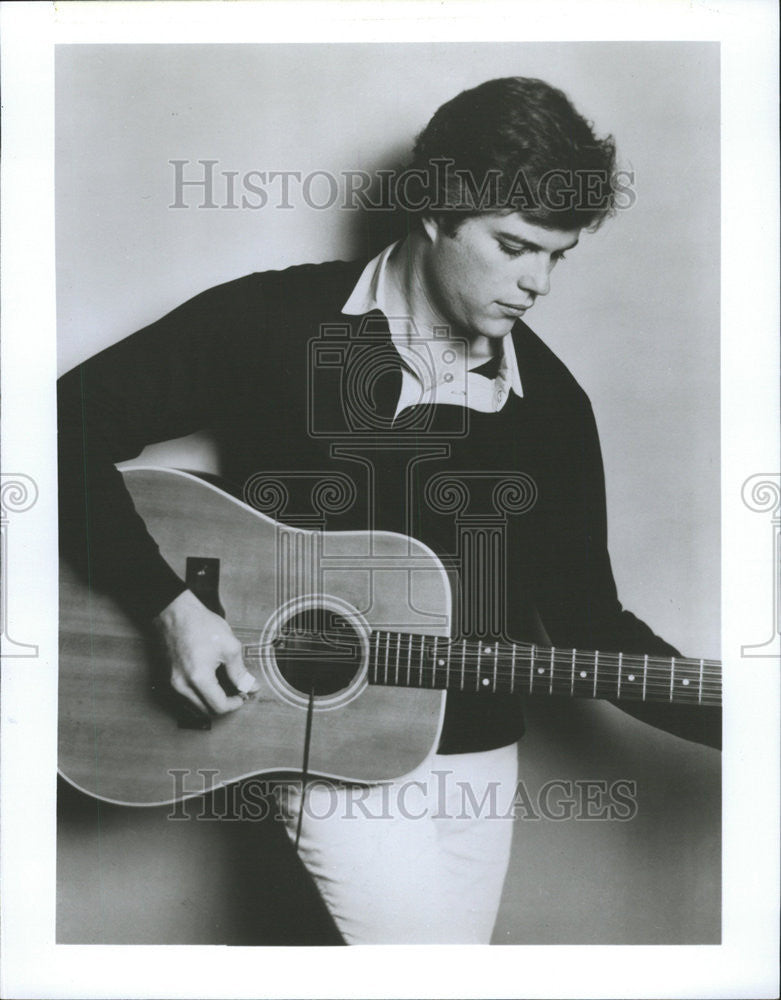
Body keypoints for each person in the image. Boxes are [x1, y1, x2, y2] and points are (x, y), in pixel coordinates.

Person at [58, 76, 720, 945]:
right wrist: (166, 605)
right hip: (319, 736)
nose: (536, 284)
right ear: (438, 211)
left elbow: (590, 619)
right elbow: (54, 425)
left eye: (556, 257)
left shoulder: (550, 408)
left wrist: (737, 716)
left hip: (477, 760)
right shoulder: (274, 322)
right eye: (514, 245)